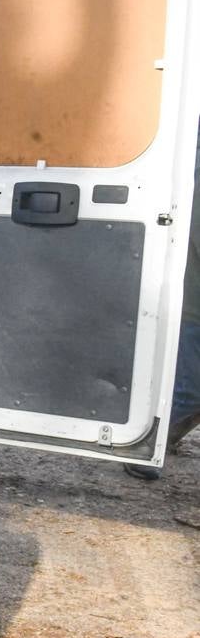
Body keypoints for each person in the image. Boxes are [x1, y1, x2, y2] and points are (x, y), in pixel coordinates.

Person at [127, 145, 200, 480]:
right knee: (189, 388)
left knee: (190, 388)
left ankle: (159, 441)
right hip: (192, 303)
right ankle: (143, 448)